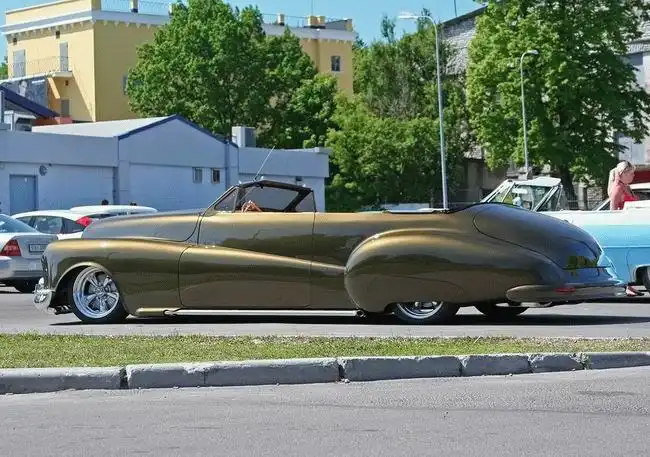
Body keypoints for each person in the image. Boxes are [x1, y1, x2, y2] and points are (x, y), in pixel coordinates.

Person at [607, 160, 642, 297]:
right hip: (623, 228)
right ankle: (624, 286)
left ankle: (628, 285)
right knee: (623, 257)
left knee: (630, 257)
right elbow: (613, 210)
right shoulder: (617, 188)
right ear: (622, 173)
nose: (633, 176)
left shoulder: (626, 187)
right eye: (631, 173)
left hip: (631, 226)